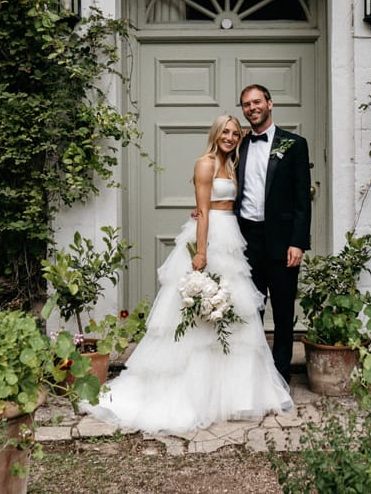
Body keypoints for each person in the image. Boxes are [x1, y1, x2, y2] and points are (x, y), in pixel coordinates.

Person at [83, 114, 293, 434]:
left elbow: (233, 198)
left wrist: (248, 133)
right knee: (197, 316)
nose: (231, 137)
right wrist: (201, 251)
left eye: (236, 133)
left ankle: (234, 394)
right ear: (215, 133)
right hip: (209, 236)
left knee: (230, 313)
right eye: (225, 131)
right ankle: (190, 394)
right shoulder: (205, 163)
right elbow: (205, 209)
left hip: (233, 237)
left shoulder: (233, 163)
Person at [236, 84, 312, 383]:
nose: (252, 108)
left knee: (282, 312)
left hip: (282, 242)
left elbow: (301, 199)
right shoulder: (238, 145)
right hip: (246, 239)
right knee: (250, 309)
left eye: (257, 102)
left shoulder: (294, 144)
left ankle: (280, 377)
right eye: (246, 104)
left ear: (270, 103)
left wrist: (298, 242)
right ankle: (252, 376)